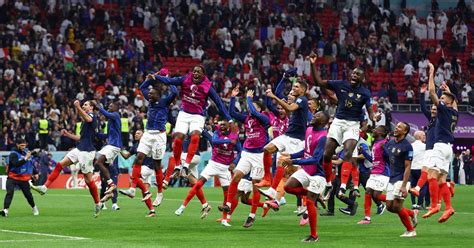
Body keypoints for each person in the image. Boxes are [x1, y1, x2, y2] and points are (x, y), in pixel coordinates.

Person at [309, 53, 381, 198]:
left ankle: (342, 187)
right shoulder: (340, 84)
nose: (354, 75)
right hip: (338, 122)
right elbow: (318, 82)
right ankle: (329, 184)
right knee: (326, 155)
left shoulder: (365, 93)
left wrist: (375, 117)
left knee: (348, 153)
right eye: (353, 73)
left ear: (362, 78)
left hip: (352, 125)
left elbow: (370, 112)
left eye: (358, 74)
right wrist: (312, 64)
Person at [152, 65, 232, 178]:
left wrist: (228, 118)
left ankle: (186, 166)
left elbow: (219, 102)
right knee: (178, 137)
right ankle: (178, 166)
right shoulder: (185, 79)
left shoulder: (207, 87)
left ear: (203, 75)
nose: (195, 74)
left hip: (198, 115)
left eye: (198, 72)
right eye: (194, 71)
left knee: (195, 136)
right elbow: (170, 80)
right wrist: (156, 77)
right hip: (184, 113)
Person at [31, 100, 102, 218]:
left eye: (86, 105)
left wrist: (78, 106)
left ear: (91, 107)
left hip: (87, 152)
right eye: (83, 104)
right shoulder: (84, 121)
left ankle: (97, 203)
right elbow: (81, 137)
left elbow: (88, 119)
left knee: (89, 181)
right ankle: (44, 187)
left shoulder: (92, 117)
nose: (84, 106)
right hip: (79, 149)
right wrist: (68, 134)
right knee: (60, 164)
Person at [120, 74, 178, 217]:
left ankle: (159, 193)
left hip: (159, 135)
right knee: (138, 158)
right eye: (149, 94)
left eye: (151, 94)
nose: (149, 95)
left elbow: (175, 92)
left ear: (158, 95)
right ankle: (132, 189)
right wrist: (150, 79)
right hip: (148, 133)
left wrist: (167, 79)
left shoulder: (164, 102)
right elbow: (142, 87)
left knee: (157, 165)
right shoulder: (151, 101)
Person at [219, 89, 274, 228]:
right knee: (236, 176)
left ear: (260, 109)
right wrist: (232, 98)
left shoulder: (264, 118)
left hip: (259, 155)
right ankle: (228, 205)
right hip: (247, 153)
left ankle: (252, 215)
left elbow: (254, 112)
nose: (250, 108)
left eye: (254, 106)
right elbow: (232, 113)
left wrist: (249, 98)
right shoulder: (247, 118)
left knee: (255, 185)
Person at [174, 119, 241, 220]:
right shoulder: (217, 133)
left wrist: (235, 162)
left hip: (224, 167)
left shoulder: (234, 136)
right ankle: (183, 207)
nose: (221, 125)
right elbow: (214, 140)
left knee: (229, 193)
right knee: (197, 184)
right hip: (213, 164)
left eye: (223, 124)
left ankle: (225, 218)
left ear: (229, 125)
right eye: (220, 124)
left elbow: (241, 151)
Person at [281, 111, 329, 243]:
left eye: (318, 116)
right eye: (314, 115)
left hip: (318, 174)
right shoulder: (308, 129)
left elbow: (315, 159)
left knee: (309, 202)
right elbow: (306, 151)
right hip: (306, 170)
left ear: (323, 122)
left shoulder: (323, 137)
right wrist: (291, 156)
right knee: (288, 187)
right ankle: (315, 195)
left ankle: (314, 235)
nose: (314, 117)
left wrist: (294, 162)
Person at [258, 78, 309, 201]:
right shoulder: (296, 103)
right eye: (293, 87)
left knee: (291, 172)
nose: (293, 89)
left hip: (297, 141)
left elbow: (290, 109)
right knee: (267, 149)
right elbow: (290, 112)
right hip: (287, 136)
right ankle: (267, 181)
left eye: (296, 87)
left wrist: (274, 97)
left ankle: (308, 197)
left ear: (303, 89)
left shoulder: (303, 99)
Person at [423, 63, 458, 223]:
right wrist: (449, 92)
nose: (441, 99)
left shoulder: (443, 110)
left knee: (431, 175)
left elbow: (431, 92)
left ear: (448, 102)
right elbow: (455, 102)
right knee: (442, 179)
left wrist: (431, 73)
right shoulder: (455, 112)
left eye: (443, 98)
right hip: (448, 148)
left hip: (439, 146)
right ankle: (448, 207)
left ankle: (434, 204)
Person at [385, 122, 418, 237]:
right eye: (396, 126)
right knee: (389, 206)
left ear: (405, 132)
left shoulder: (407, 146)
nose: (396, 128)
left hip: (402, 179)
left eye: (399, 127)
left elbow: (408, 166)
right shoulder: (390, 143)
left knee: (398, 207)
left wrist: (404, 185)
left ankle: (411, 231)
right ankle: (411, 213)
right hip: (392, 178)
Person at [119, 130, 158, 216]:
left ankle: (133, 191)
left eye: (138, 133)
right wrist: (119, 149)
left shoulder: (148, 143)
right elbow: (126, 156)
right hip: (145, 169)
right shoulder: (135, 146)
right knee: (144, 191)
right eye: (135, 133)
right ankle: (152, 211)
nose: (136, 135)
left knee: (134, 177)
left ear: (143, 135)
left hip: (147, 167)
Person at [357, 126, 390, 224]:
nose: (374, 130)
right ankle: (367, 218)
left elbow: (389, 158)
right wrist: (363, 152)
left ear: (382, 133)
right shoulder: (376, 143)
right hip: (374, 172)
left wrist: (386, 151)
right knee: (368, 192)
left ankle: (393, 199)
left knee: (376, 195)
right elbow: (372, 159)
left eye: (377, 129)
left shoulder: (385, 143)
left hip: (383, 172)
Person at [1, 139, 39, 217]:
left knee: (28, 195)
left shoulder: (26, 153)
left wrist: (35, 173)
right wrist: (26, 158)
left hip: (23, 178)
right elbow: (16, 164)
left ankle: (34, 207)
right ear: (17, 145)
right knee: (9, 192)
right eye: (21, 145)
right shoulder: (13, 154)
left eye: (24, 145)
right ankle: (5, 210)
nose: (23, 147)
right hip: (12, 177)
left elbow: (30, 164)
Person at [95, 101, 122, 202]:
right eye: (108, 106)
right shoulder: (111, 121)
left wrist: (99, 107)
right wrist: (96, 134)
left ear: (116, 108)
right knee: (104, 166)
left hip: (114, 145)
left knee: (98, 162)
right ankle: (110, 191)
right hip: (112, 145)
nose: (108, 107)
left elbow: (106, 114)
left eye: (111, 106)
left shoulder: (115, 115)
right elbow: (107, 136)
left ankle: (111, 184)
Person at [410, 131, 426, 209]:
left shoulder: (411, 146)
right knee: (422, 187)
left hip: (412, 168)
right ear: (419, 137)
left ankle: (413, 204)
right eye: (423, 135)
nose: (424, 136)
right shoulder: (424, 146)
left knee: (413, 186)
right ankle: (419, 204)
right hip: (421, 169)